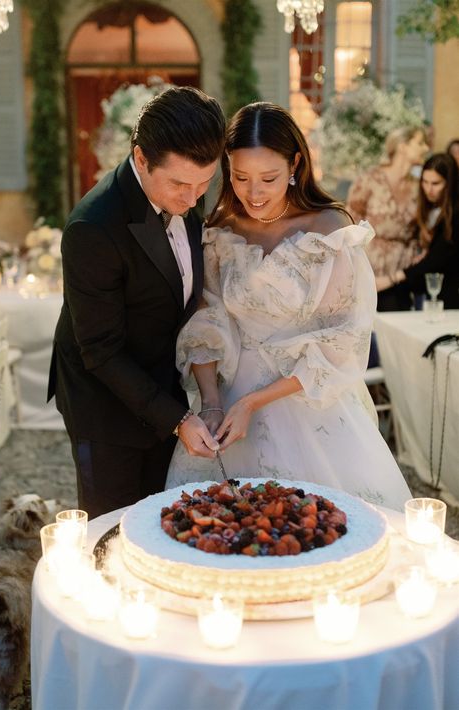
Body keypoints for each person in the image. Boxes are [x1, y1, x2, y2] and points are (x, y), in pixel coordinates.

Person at [166, 102, 411, 511]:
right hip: (229, 396)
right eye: (240, 177)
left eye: (268, 178)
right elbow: (206, 321)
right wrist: (212, 403)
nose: (253, 192)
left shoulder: (330, 231)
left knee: (322, 524)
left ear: (295, 163)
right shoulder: (221, 229)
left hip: (306, 397)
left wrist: (252, 403)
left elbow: (344, 340)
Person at [47, 87, 225, 519]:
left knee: (160, 522)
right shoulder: (93, 228)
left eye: (204, 183)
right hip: (104, 406)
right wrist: (180, 419)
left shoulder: (186, 196)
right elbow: (102, 351)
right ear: (141, 158)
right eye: (181, 184)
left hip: (158, 390)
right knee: (113, 533)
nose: (192, 199)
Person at [347, 125, 429, 311]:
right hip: (368, 271)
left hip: (401, 275)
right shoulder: (369, 180)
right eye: (420, 142)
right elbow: (349, 224)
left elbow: (423, 230)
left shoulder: (419, 186)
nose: (426, 148)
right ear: (402, 146)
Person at [376, 153, 459, 308]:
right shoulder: (431, 209)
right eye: (425, 182)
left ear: (449, 183)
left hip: (450, 296)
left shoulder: (455, 213)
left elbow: (438, 258)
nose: (429, 189)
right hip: (429, 290)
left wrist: (392, 278)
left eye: (436, 183)